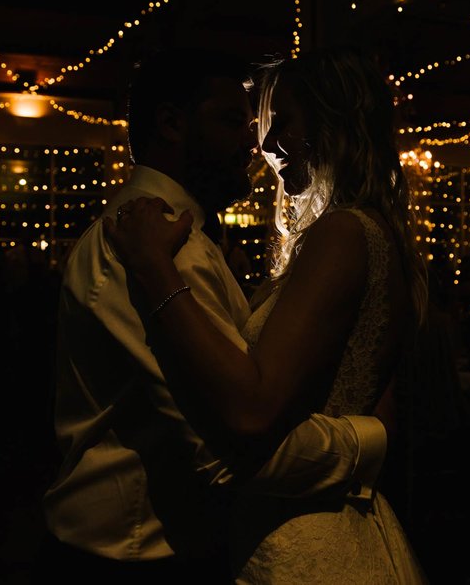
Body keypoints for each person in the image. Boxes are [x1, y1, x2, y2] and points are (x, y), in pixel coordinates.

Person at [41, 49, 392, 582]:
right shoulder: (150, 245)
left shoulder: (176, 245)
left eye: (270, 126)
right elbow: (222, 453)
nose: (255, 147)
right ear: (172, 124)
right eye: (234, 122)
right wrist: (366, 442)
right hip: (132, 557)